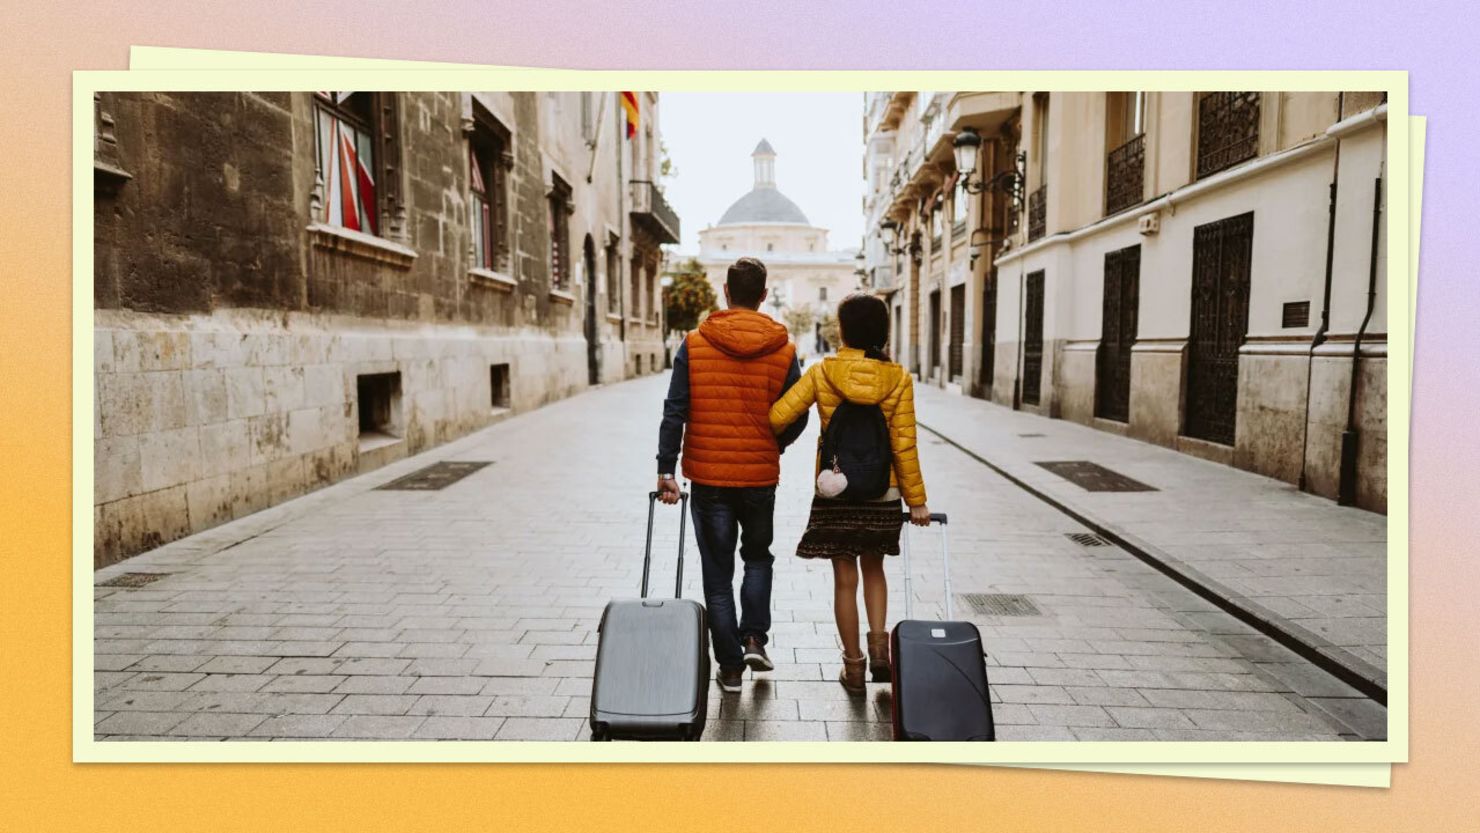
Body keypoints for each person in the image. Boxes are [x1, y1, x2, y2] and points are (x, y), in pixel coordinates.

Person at [655, 257, 808, 694]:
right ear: (763, 295)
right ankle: (755, 638)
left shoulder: (695, 342)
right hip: (759, 477)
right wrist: (773, 444)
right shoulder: (783, 348)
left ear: (725, 291)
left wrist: (666, 468)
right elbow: (796, 413)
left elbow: (675, 409)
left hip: (709, 477)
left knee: (717, 573)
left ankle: (730, 667)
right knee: (758, 557)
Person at [768, 292, 929, 695]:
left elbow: (779, 416)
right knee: (875, 569)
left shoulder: (824, 372)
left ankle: (853, 668)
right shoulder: (898, 378)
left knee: (845, 579)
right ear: (882, 331)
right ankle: (880, 653)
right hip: (884, 489)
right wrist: (917, 500)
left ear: (842, 330)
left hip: (835, 489)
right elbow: (904, 443)